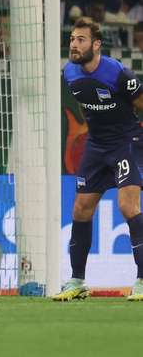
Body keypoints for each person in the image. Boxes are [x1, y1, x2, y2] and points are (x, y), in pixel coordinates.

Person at [55, 17, 143, 301]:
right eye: (71, 39)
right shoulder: (69, 73)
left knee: (128, 206)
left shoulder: (119, 74)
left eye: (80, 40)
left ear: (96, 44)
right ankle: (77, 281)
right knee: (81, 209)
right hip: (96, 145)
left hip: (126, 143)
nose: (74, 45)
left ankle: (142, 281)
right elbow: (88, 105)